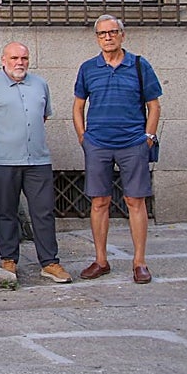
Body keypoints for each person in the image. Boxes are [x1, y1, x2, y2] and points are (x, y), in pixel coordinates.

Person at [0, 42, 70, 283]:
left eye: (24, 58)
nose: (19, 63)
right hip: (2, 160)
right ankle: (9, 259)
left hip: (37, 159)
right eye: (14, 58)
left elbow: (43, 116)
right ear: (3, 59)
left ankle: (50, 262)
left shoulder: (40, 84)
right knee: (6, 210)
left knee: (43, 211)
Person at [73, 15, 162, 284]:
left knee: (136, 201)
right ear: (97, 38)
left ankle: (139, 262)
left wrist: (148, 136)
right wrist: (83, 138)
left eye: (112, 32)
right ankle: (101, 260)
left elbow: (154, 105)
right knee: (99, 202)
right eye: (102, 34)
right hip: (98, 144)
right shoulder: (88, 68)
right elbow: (78, 107)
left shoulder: (139, 65)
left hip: (133, 143)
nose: (107, 37)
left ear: (122, 35)